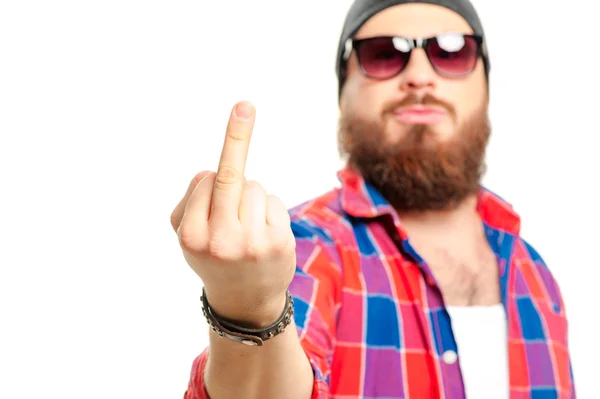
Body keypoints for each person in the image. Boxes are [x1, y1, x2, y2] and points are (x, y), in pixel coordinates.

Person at [170, 0, 576, 398]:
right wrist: (251, 311)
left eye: (452, 52)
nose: (419, 76)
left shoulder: (535, 273)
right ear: (343, 93)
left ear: (486, 86)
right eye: (384, 54)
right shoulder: (303, 246)